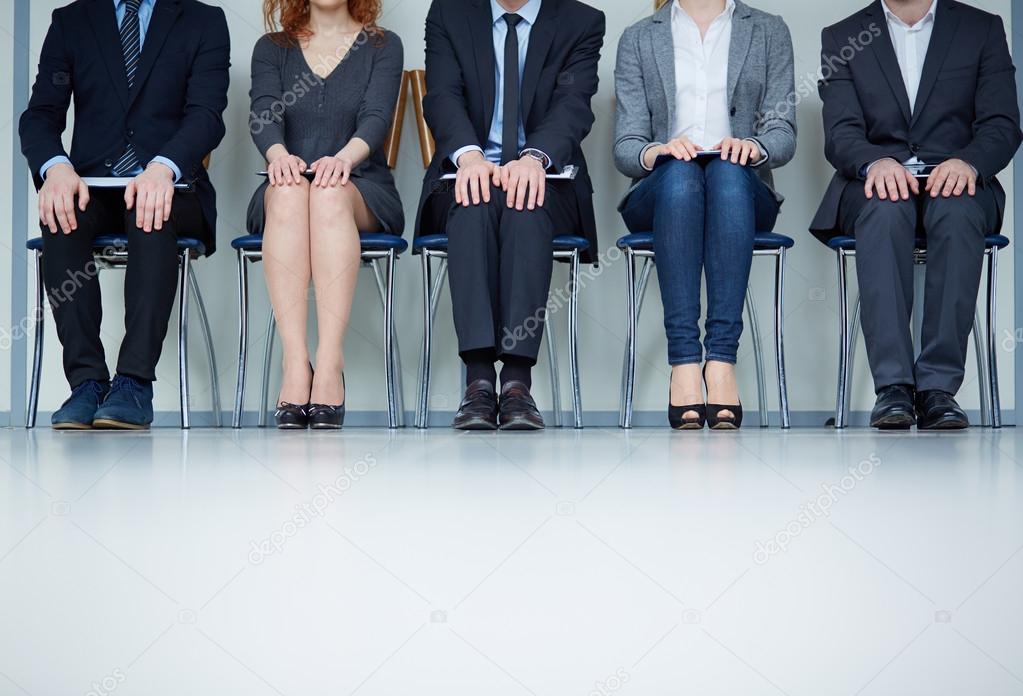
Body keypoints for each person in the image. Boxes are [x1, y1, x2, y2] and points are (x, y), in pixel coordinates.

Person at [810, 0, 1021, 430]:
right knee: (886, 210)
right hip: (873, 184)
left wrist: (969, 163)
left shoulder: (981, 28)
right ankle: (893, 389)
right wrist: (875, 163)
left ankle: (938, 390)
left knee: (957, 212)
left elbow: (1002, 123)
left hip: (959, 180)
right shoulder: (843, 35)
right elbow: (841, 132)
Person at [20, 0, 230, 430]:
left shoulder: (204, 19)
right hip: (93, 186)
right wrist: (56, 167)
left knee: (148, 212)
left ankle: (134, 383)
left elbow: (206, 116)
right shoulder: (71, 20)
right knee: (61, 217)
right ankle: (87, 383)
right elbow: (40, 115)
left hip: (173, 187)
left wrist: (162, 167)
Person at [416, 0, 605, 431]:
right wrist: (470, 156)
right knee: (474, 202)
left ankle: (517, 384)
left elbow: (573, 104)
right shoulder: (449, 13)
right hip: (467, 172)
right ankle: (479, 383)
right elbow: (443, 95)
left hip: (547, 178)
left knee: (524, 203)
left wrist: (534, 158)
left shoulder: (581, 21)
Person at [614, 0, 796, 430]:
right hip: (660, 193)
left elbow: (783, 132)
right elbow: (626, 145)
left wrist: (754, 146)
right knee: (680, 175)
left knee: (728, 173)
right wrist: (656, 150)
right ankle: (684, 362)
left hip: (742, 193)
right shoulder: (640, 37)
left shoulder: (769, 30)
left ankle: (720, 361)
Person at [248, 0, 405, 430]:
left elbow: (376, 119)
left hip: (361, 186)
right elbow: (264, 116)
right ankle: (296, 363)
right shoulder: (272, 48)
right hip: (289, 185)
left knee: (329, 193)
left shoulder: (383, 46)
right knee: (291, 193)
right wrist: (279, 157)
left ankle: (330, 363)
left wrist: (343, 160)